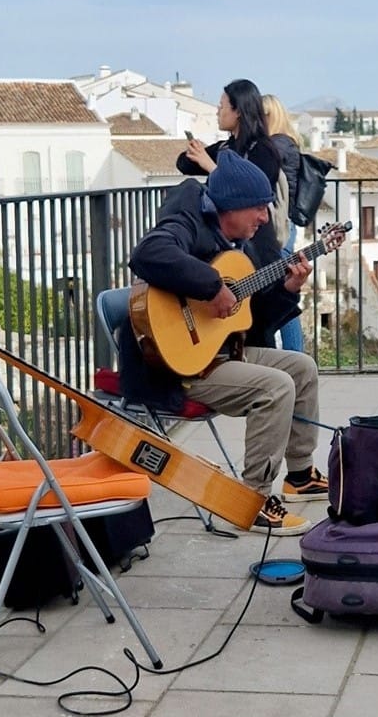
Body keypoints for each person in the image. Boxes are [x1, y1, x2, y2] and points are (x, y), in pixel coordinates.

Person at [118, 150, 329, 535]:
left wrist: (288, 289)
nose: (265, 218)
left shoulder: (237, 243)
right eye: (259, 209)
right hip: (177, 365)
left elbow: (248, 318)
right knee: (275, 387)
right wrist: (213, 286)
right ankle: (252, 501)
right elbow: (148, 253)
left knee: (302, 367)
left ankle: (299, 475)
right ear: (231, 206)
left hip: (218, 352)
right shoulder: (185, 220)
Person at [176, 78, 282, 267]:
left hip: (256, 242)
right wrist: (196, 151)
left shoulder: (263, 150)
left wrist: (210, 165)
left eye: (222, 106)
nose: (218, 111)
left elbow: (253, 192)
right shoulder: (225, 147)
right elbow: (184, 164)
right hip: (225, 243)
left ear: (238, 111)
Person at [262, 94, 305, 352]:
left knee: (285, 290)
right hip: (283, 224)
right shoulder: (287, 144)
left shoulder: (277, 146)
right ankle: (295, 355)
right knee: (285, 289)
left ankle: (295, 355)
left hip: (280, 225)